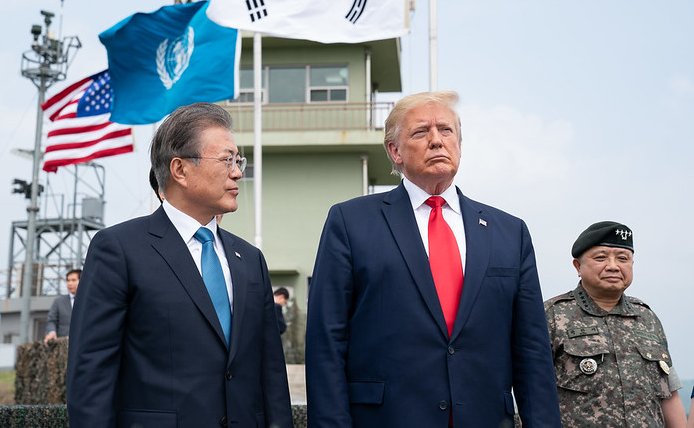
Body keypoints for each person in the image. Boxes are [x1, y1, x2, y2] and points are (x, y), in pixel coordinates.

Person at [305, 91, 561, 427]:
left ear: (460, 145)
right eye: (421, 132)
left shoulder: (510, 232)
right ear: (395, 151)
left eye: (446, 130)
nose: (437, 140)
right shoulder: (350, 222)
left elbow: (532, 351)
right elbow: (326, 341)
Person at [67, 102, 293, 428]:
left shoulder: (249, 258)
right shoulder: (119, 249)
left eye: (238, 161)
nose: (237, 173)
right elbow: (91, 374)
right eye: (227, 160)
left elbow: (271, 372)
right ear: (180, 170)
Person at [545, 221, 686, 427]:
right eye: (601, 258)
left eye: (622, 258)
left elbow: (669, 394)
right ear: (578, 266)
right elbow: (531, 391)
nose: (613, 266)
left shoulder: (646, 318)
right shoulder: (551, 315)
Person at [43, 268, 80, 343]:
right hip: (64, 343)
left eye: (73, 280)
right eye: (68, 280)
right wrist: (52, 332)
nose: (69, 284)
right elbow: (51, 320)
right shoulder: (58, 302)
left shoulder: (89, 302)